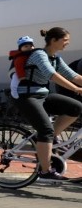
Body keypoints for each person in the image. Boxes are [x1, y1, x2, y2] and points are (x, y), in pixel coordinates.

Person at [14, 27, 82, 182]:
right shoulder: (39, 55)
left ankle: (48, 141)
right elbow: (52, 75)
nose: (67, 43)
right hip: (26, 96)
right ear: (53, 40)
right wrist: (76, 89)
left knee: (76, 108)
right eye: (65, 40)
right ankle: (45, 171)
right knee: (45, 130)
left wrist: (78, 84)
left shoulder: (55, 58)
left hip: (42, 96)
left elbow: (74, 76)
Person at [8, 35, 35, 99]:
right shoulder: (20, 57)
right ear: (20, 48)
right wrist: (22, 78)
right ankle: (13, 91)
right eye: (26, 46)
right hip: (15, 70)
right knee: (15, 77)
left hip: (25, 69)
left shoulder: (33, 54)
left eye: (31, 46)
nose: (29, 48)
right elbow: (19, 68)